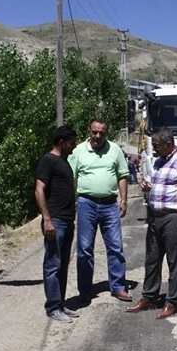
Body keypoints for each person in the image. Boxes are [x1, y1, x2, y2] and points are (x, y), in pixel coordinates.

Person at [126, 126, 177, 319]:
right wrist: (145, 185)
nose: (155, 149)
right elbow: (150, 182)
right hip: (155, 217)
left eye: (157, 146)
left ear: (169, 144)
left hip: (174, 218)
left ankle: (172, 302)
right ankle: (149, 297)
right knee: (152, 259)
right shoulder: (158, 162)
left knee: (174, 261)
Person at [69, 119, 133, 302]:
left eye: (102, 133)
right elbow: (70, 177)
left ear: (107, 133)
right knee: (84, 250)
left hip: (109, 205)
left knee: (115, 247)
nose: (98, 136)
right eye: (94, 132)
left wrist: (124, 200)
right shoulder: (78, 151)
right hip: (86, 204)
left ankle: (118, 287)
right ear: (89, 131)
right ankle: (85, 290)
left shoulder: (114, 150)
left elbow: (122, 175)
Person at [34, 125, 79, 322]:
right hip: (56, 221)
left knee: (62, 265)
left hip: (67, 221)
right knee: (52, 265)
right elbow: (39, 190)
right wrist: (47, 219)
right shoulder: (48, 160)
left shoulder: (63, 161)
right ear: (62, 142)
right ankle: (52, 307)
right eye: (71, 142)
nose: (73, 146)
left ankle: (60, 303)